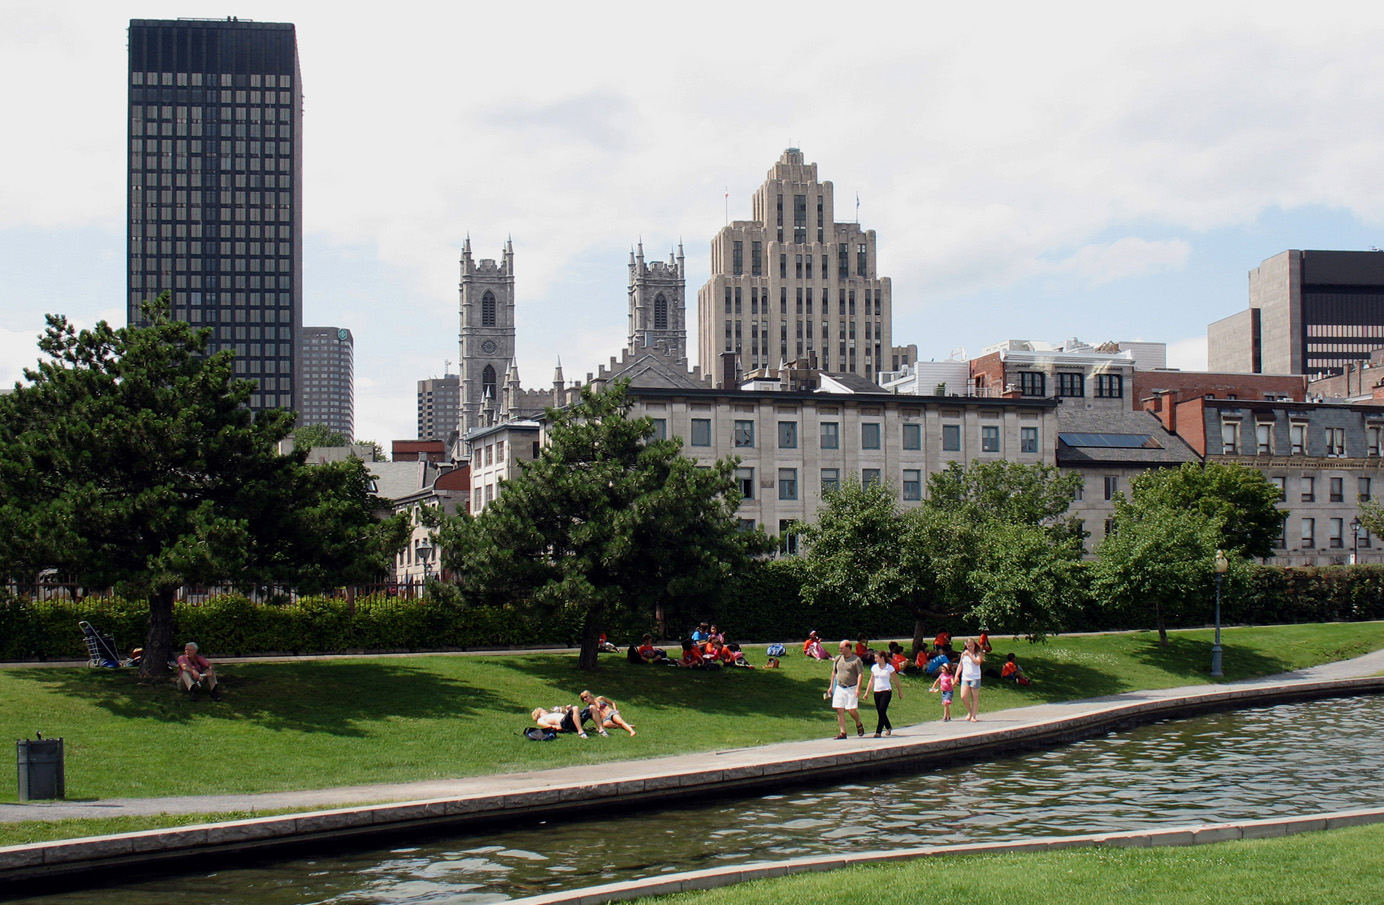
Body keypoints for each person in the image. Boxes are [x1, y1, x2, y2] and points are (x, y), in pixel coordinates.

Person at [828, 640, 866, 739]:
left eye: (841, 648)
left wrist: (858, 688)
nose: (839, 650)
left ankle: (858, 723)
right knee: (839, 709)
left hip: (851, 687)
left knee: (851, 710)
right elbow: (834, 673)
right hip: (840, 687)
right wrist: (831, 686)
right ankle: (843, 732)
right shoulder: (838, 659)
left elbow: (860, 674)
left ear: (848, 648)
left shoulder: (856, 660)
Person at [863, 650, 902, 737]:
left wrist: (900, 692)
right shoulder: (874, 668)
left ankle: (878, 732)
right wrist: (867, 692)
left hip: (886, 691)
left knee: (882, 709)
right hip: (877, 691)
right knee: (880, 712)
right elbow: (871, 680)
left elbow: (896, 680)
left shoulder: (889, 668)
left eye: (877, 658)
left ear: (882, 658)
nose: (875, 660)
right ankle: (888, 727)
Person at [957, 638, 985, 722]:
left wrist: (970, 655)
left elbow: (977, 662)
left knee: (974, 697)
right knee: (963, 696)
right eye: (968, 646)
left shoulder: (977, 654)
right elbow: (960, 665)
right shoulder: (963, 654)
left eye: (971, 646)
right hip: (965, 677)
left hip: (975, 677)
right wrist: (956, 676)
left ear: (974, 645)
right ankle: (970, 711)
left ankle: (974, 715)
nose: (970, 648)